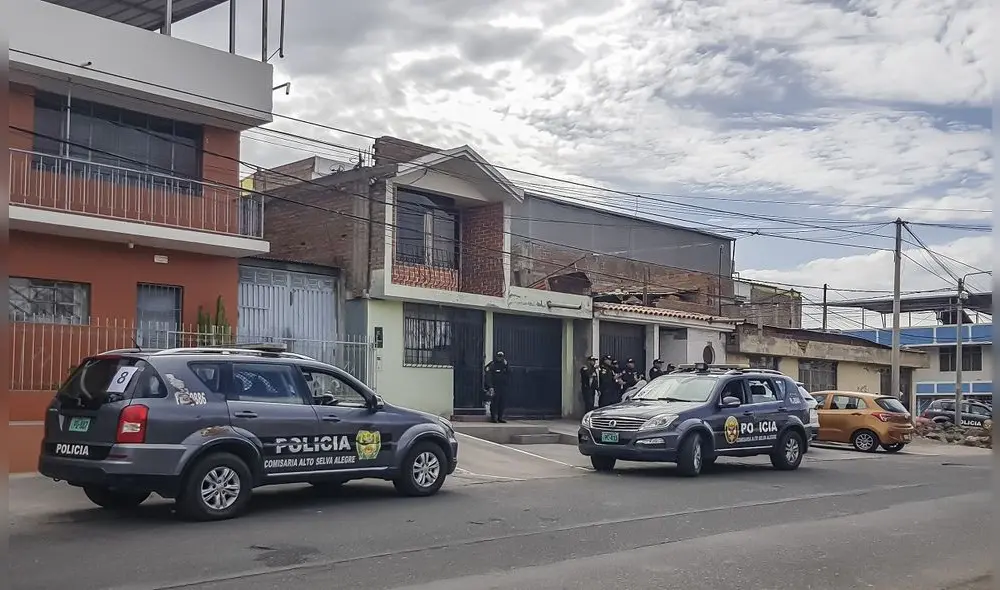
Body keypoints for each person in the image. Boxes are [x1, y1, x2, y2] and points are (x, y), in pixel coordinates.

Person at [484, 351, 511, 423]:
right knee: (495, 403)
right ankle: (493, 418)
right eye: (498, 356)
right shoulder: (492, 365)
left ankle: (500, 417)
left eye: (501, 356)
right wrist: (490, 387)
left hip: (503, 387)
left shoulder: (504, 365)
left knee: (502, 403)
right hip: (495, 387)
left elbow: (509, 373)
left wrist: (507, 365)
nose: (500, 358)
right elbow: (488, 376)